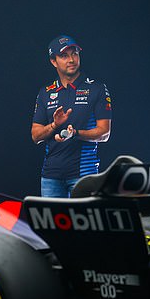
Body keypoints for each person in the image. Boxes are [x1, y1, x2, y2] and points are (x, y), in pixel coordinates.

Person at [31, 34, 112, 198]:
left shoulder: (97, 88)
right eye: (64, 55)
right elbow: (35, 136)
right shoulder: (46, 92)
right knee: (52, 224)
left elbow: (104, 133)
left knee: (85, 224)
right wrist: (54, 125)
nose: (71, 59)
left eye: (74, 53)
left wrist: (75, 133)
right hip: (50, 177)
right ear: (53, 61)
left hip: (84, 177)